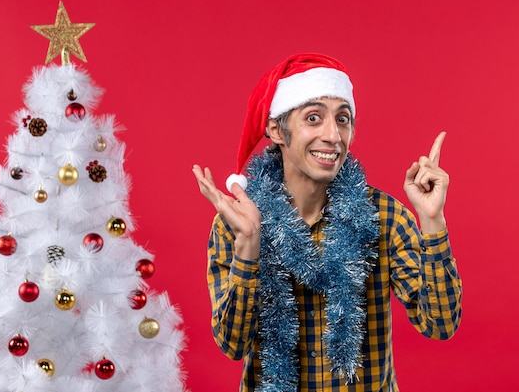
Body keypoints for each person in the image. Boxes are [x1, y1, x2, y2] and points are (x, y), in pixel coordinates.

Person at [192, 53, 462, 392]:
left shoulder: (385, 217)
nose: (333, 135)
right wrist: (249, 246)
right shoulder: (236, 223)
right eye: (314, 118)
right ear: (276, 129)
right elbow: (232, 345)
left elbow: (441, 324)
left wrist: (432, 220)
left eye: (343, 119)